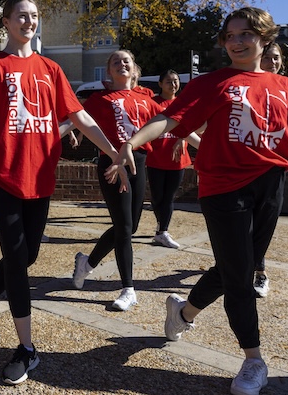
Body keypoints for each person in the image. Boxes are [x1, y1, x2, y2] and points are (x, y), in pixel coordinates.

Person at [111, 7, 288, 395]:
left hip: (272, 185)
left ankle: (183, 312)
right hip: (224, 188)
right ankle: (254, 360)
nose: (237, 42)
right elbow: (170, 118)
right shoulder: (213, 83)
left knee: (235, 267)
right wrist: (131, 141)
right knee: (241, 276)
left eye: (245, 34)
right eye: (230, 36)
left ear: (265, 38)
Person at [0, 0, 127, 386]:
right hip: (2, 175)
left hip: (40, 177)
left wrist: (114, 149)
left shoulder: (51, 68)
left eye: (35, 16)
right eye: (22, 16)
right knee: (17, 260)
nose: (30, 22)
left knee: (28, 255)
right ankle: (27, 349)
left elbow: (80, 116)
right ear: (5, 21)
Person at [73, 52, 197, 311]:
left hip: (139, 162)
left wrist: (204, 145)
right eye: (115, 61)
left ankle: (87, 263)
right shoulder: (100, 99)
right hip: (113, 163)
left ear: (135, 69)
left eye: (126, 60)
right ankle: (128, 288)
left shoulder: (147, 99)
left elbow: (175, 125)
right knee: (124, 226)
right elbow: (78, 120)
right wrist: (65, 135)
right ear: (108, 71)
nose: (121, 64)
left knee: (129, 226)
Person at [145, 69, 192, 250]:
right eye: (169, 81)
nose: (173, 85)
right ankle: (160, 226)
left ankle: (162, 231)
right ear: (160, 84)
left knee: (169, 197)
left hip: (177, 158)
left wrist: (182, 138)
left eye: (176, 81)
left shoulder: (183, 103)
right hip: (156, 156)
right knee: (158, 197)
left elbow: (190, 125)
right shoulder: (152, 103)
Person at [251, 42, 282, 297]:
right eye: (268, 58)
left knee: (264, 226)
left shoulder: (287, 90)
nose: (273, 63)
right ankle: (241, 270)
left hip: (273, 171)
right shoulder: (246, 89)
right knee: (244, 228)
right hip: (243, 170)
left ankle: (260, 272)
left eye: (277, 58)